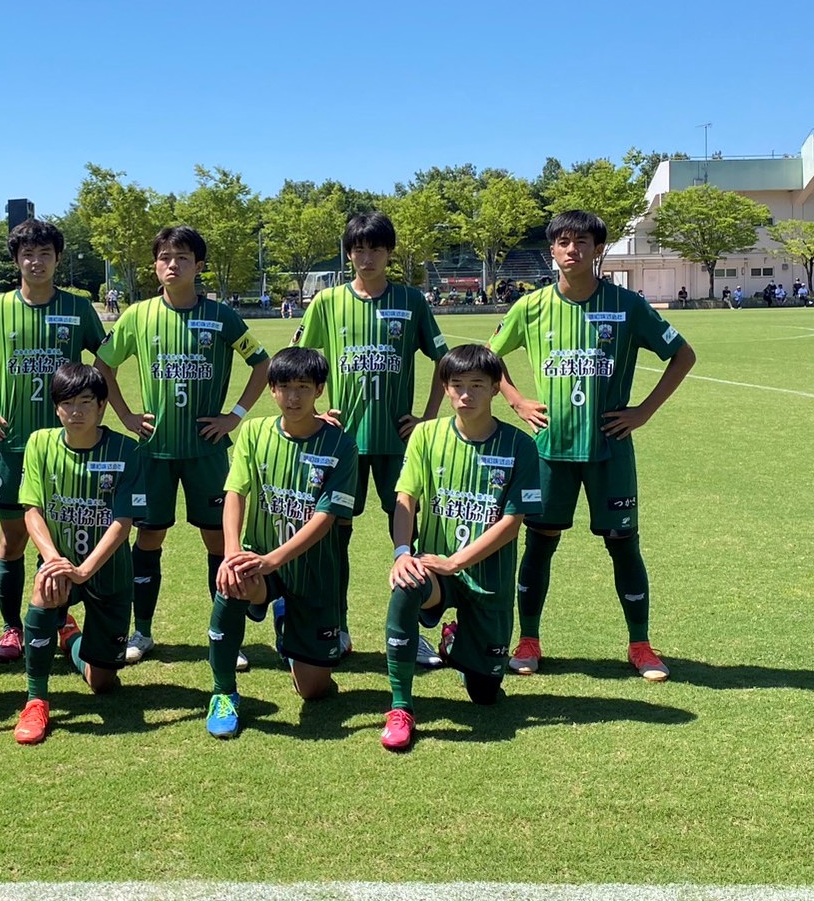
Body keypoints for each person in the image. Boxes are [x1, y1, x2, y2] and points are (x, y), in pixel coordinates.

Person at [489, 210, 695, 682]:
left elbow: (683, 355)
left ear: (598, 249)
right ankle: (529, 640)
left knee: (624, 545)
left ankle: (640, 645)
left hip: (610, 448)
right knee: (539, 544)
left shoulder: (627, 305)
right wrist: (517, 400)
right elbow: (487, 357)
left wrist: (644, 411)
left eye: (582, 241)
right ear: (552, 250)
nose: (572, 249)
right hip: (550, 450)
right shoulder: (531, 306)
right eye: (563, 241)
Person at [96, 226, 270, 670]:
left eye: (183, 258)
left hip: (207, 451)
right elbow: (102, 367)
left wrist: (234, 415)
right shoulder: (137, 316)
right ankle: (142, 630)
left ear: (199, 265)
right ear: (155, 264)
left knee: (219, 539)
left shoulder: (221, 316)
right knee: (148, 536)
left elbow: (262, 363)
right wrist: (126, 416)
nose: (173, 264)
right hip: (154, 451)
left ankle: (226, 635)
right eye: (165, 257)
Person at [293, 212, 447, 663]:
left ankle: (413, 631)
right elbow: (296, 360)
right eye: (358, 249)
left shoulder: (411, 300)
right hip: (342, 444)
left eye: (375, 248)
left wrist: (428, 417)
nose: (366, 257)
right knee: (332, 538)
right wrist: (315, 411)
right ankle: (335, 626)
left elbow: (445, 361)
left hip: (398, 444)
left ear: (389, 253)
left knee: (408, 539)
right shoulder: (327, 302)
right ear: (348, 254)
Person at [380, 344, 542, 751]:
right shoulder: (426, 435)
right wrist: (402, 553)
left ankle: (454, 641)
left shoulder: (520, 446)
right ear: (445, 388)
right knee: (406, 585)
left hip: (487, 578)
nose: (466, 394)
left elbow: (511, 524)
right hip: (435, 570)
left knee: (485, 694)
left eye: (477, 385)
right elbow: (406, 499)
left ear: (495, 388)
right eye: (457, 385)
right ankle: (400, 707)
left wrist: (456, 562)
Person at [0, 219, 105, 665]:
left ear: (57, 258)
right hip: (12, 445)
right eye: (27, 254)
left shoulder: (78, 308)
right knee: (12, 540)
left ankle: (59, 618)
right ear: (16, 260)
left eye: (45, 253)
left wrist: (98, 409)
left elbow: (106, 360)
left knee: (58, 535)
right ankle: (12, 627)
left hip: (67, 446)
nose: (36, 261)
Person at [204, 347, 357, 738]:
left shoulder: (341, 445)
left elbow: (324, 519)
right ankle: (223, 692)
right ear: (271, 390)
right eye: (285, 387)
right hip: (260, 560)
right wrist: (233, 552)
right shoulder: (255, 432)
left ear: (319, 389)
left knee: (314, 690)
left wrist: (272, 560)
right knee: (233, 580)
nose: (293, 397)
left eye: (303, 387)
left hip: (313, 570)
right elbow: (235, 492)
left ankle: (286, 618)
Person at [12, 363, 146, 744]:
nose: (76, 411)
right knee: (44, 587)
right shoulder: (39, 443)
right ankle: (36, 701)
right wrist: (53, 560)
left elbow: (123, 521)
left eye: (86, 402)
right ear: (56, 407)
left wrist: (85, 569)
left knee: (102, 683)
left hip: (109, 572)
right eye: (67, 403)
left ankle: (69, 636)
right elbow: (32, 509)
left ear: (102, 406)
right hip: (59, 565)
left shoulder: (126, 449)